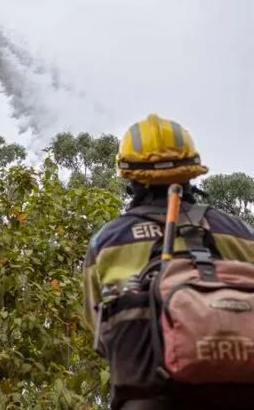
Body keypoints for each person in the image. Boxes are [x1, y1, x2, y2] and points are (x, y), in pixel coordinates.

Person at [83, 114, 254, 410]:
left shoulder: (108, 241)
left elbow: (97, 328)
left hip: (149, 398)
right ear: (191, 172)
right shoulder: (239, 232)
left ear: (131, 178)